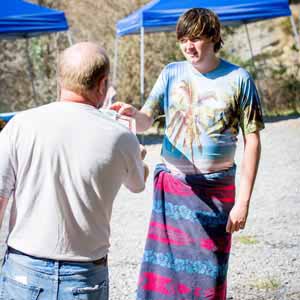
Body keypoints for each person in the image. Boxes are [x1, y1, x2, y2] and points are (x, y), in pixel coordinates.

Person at [110, 8, 264, 300]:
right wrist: (133, 113)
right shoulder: (171, 72)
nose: (188, 46)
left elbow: (252, 141)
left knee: (209, 275)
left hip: (216, 193)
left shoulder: (239, 79)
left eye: (196, 39)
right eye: (183, 40)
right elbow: (147, 118)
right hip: (173, 189)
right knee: (165, 272)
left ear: (214, 37)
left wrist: (243, 202)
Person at [0, 42, 149, 300]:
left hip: (24, 268)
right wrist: (141, 161)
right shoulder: (121, 137)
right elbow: (137, 185)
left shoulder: (19, 126)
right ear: (102, 85)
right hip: (84, 273)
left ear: (60, 79)